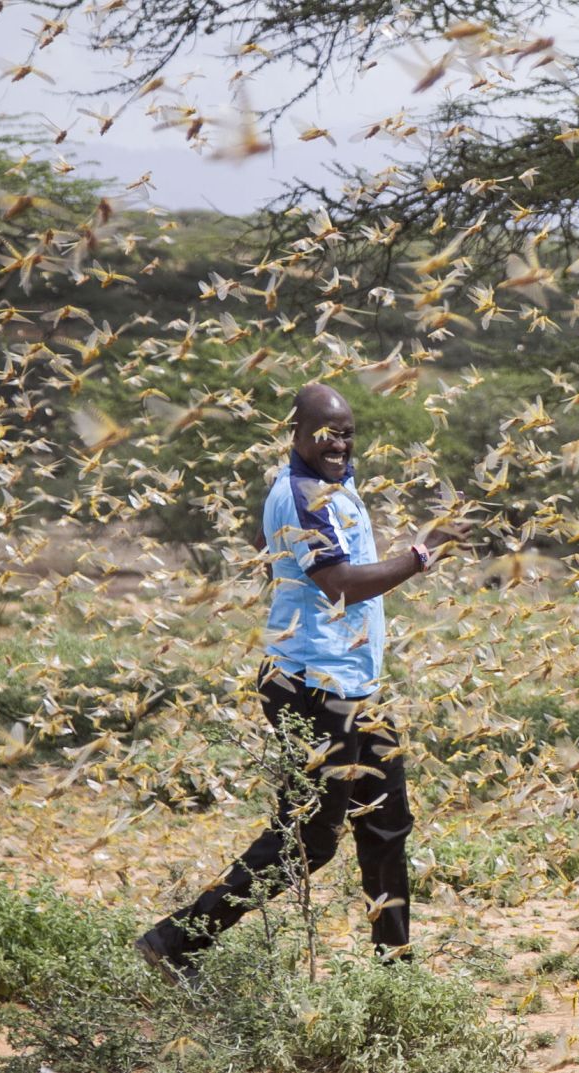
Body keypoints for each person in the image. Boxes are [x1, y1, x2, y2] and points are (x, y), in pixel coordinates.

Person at [136, 383, 464, 982]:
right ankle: (175, 942)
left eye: (347, 432)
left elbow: (278, 552)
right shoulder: (301, 494)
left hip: (351, 688)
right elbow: (339, 582)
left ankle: (396, 971)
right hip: (312, 688)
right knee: (310, 838)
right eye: (327, 431)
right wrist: (420, 555)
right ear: (297, 433)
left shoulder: (331, 486)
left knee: (387, 822)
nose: (339, 442)